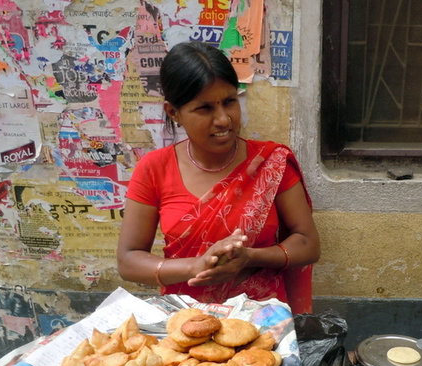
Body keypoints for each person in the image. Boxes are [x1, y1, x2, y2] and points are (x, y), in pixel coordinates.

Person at [117, 41, 320, 314]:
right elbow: (128, 260)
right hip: (185, 321)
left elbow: (307, 244)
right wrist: (194, 266)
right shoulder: (154, 168)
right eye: (205, 108)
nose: (224, 120)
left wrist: (249, 258)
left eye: (229, 102)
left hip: (262, 320)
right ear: (173, 112)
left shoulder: (270, 163)